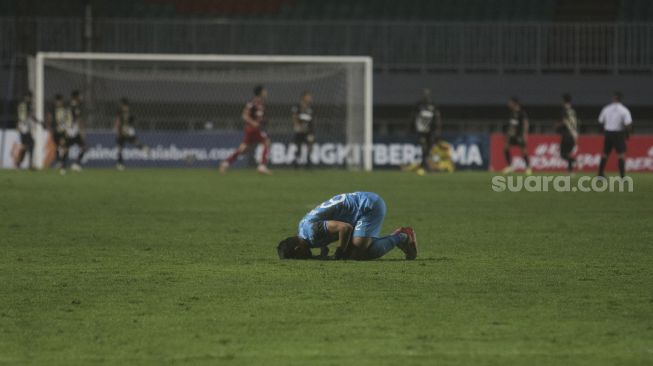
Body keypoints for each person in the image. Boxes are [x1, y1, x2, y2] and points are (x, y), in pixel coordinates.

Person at [277, 192, 418, 261]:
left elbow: (344, 228)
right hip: (358, 206)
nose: (304, 259)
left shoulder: (311, 232)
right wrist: (323, 252)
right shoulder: (303, 229)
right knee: (353, 254)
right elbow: (324, 226)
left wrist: (340, 251)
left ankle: (402, 237)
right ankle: (395, 236)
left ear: (298, 248)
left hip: (367, 206)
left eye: (299, 257)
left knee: (358, 250)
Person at [219, 85, 272, 175]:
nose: (266, 92)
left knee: (243, 149)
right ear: (260, 92)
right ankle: (262, 166)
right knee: (266, 142)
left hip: (253, 129)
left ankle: (225, 163)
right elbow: (244, 116)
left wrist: (263, 121)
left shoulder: (261, 105)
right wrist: (253, 123)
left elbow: (259, 117)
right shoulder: (252, 103)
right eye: (264, 91)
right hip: (253, 129)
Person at [598, 92, 633, 178]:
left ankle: (600, 174)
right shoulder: (624, 110)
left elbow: (600, 121)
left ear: (613, 98)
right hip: (618, 134)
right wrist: (628, 134)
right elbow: (628, 124)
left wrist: (603, 131)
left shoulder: (606, 109)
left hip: (608, 133)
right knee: (620, 155)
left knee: (605, 154)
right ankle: (622, 176)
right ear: (621, 99)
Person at [413, 88, 442, 174]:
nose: (426, 96)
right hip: (421, 130)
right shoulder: (418, 105)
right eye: (424, 94)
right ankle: (425, 165)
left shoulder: (433, 105)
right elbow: (413, 117)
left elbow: (437, 117)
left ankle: (425, 164)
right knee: (423, 147)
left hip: (431, 130)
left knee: (429, 148)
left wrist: (438, 129)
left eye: (427, 94)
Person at [115, 98, 148, 170]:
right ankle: (120, 164)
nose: (124, 108)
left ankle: (144, 148)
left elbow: (132, 123)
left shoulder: (130, 115)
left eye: (125, 106)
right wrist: (119, 130)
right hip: (121, 133)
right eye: (123, 106)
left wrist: (128, 128)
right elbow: (118, 123)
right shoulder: (119, 114)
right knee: (120, 148)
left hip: (128, 132)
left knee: (135, 142)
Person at [502, 97, 532, 175]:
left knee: (523, 151)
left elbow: (526, 123)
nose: (509, 104)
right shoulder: (511, 113)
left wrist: (525, 134)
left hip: (519, 135)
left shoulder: (521, 112)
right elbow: (511, 124)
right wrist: (507, 133)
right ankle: (510, 166)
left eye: (510, 103)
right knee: (505, 148)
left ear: (515, 103)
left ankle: (528, 168)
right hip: (512, 135)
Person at [59, 90, 87, 174]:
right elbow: (77, 119)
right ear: (76, 97)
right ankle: (76, 164)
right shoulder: (76, 107)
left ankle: (64, 168)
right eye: (79, 96)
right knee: (83, 147)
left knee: (66, 149)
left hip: (67, 130)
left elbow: (63, 119)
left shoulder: (68, 106)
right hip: (73, 131)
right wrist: (82, 130)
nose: (80, 98)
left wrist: (64, 129)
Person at [554, 94, 579, 174]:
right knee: (568, 153)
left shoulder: (564, 110)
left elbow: (564, 121)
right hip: (574, 134)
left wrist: (557, 125)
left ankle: (575, 160)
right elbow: (574, 122)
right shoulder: (573, 110)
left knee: (563, 154)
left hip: (567, 134)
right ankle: (570, 171)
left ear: (563, 101)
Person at [291, 91, 315, 169]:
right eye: (308, 96)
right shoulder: (297, 107)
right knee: (299, 147)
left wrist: (311, 129)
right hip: (300, 131)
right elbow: (294, 118)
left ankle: (308, 162)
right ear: (304, 97)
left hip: (308, 131)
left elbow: (311, 120)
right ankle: (296, 162)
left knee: (310, 145)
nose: (310, 98)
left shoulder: (310, 108)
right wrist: (298, 126)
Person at [15, 92, 37, 169]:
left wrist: (18, 124)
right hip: (25, 128)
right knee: (30, 144)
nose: (31, 99)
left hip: (22, 127)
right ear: (28, 97)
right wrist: (36, 121)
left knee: (27, 146)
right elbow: (29, 116)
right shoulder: (28, 105)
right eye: (31, 97)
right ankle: (29, 164)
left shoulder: (21, 104)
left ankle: (19, 163)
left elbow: (18, 115)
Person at [46, 94, 67, 167]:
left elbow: (67, 119)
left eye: (60, 101)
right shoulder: (53, 109)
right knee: (58, 146)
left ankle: (61, 162)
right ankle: (59, 161)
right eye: (57, 101)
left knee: (63, 145)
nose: (58, 103)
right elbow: (49, 118)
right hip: (55, 130)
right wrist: (49, 127)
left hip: (62, 130)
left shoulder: (64, 109)